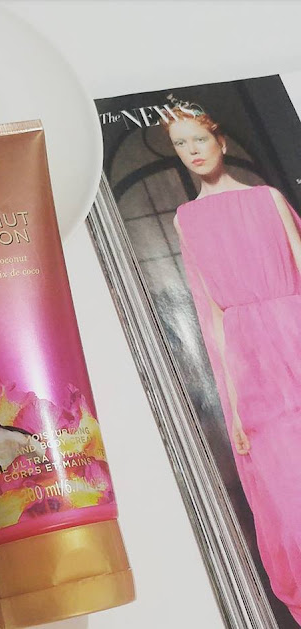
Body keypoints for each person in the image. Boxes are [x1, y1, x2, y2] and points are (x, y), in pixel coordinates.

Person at [165, 108, 301, 625]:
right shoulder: (186, 218)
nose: (192, 151)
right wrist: (236, 411)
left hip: (297, 335)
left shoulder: (267, 198)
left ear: (219, 141)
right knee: (289, 500)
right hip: (253, 367)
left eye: (199, 138)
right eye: (181, 144)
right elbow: (211, 315)